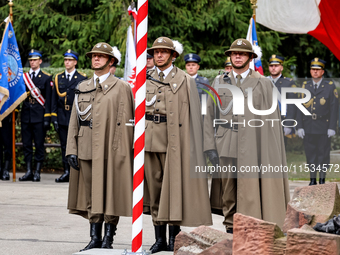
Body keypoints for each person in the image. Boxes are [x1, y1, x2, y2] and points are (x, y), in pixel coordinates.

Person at [204, 39, 290, 233]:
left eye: (242, 53)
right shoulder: (219, 81)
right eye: (234, 53)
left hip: (252, 144)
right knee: (228, 189)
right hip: (225, 142)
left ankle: (249, 228)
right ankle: (230, 228)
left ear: (250, 58)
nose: (237, 56)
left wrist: (265, 149)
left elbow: (270, 121)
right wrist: (209, 146)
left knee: (250, 188)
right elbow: (208, 115)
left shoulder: (263, 83)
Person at [144, 37, 212, 253]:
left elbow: (194, 116)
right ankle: (159, 239)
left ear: (173, 55)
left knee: (173, 190)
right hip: (150, 140)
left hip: (175, 142)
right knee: (154, 190)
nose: (159, 55)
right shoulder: (145, 79)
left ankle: (174, 237)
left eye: (164, 52)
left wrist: (196, 147)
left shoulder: (185, 79)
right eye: (156, 52)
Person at [66, 42, 134, 251]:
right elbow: (74, 120)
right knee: (90, 193)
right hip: (86, 145)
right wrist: (71, 148)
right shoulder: (83, 86)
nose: (96, 59)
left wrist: (125, 150)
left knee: (110, 192)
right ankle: (95, 237)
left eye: (101, 56)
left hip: (112, 148)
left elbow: (128, 121)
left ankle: (108, 238)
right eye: (94, 56)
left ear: (111, 61)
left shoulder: (122, 87)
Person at [296, 58, 338, 185]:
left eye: (317, 70)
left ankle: (322, 179)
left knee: (323, 154)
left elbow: (334, 109)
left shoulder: (330, 87)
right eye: (313, 69)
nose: (315, 72)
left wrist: (332, 127)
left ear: (322, 72)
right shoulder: (305, 86)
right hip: (308, 126)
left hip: (323, 126)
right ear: (310, 71)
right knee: (310, 154)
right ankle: (312, 179)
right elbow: (299, 108)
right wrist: (299, 126)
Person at [51, 50, 87, 183]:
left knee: (77, 144)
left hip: (75, 116)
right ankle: (66, 171)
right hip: (62, 116)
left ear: (75, 62)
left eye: (70, 60)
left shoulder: (82, 78)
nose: (67, 62)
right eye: (66, 60)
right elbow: (54, 100)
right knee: (64, 146)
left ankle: (76, 172)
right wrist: (54, 117)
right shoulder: (58, 78)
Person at [19, 49, 52, 182]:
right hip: (26, 115)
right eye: (31, 60)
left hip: (39, 116)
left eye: (35, 60)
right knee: (26, 144)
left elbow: (48, 100)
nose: (32, 62)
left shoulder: (46, 77)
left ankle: (37, 171)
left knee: (39, 144)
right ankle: (28, 171)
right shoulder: (23, 77)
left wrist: (47, 118)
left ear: (40, 61)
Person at [267, 55, 298, 146]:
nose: (273, 68)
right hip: (265, 122)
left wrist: (288, 124)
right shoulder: (264, 81)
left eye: (276, 66)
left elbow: (292, 106)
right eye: (271, 66)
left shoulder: (289, 83)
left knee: (279, 152)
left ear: (281, 68)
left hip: (281, 122)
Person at [0, 114, 12, 180]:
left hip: (6, 116)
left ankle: (6, 169)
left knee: (7, 144)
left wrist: (13, 115)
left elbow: (14, 103)